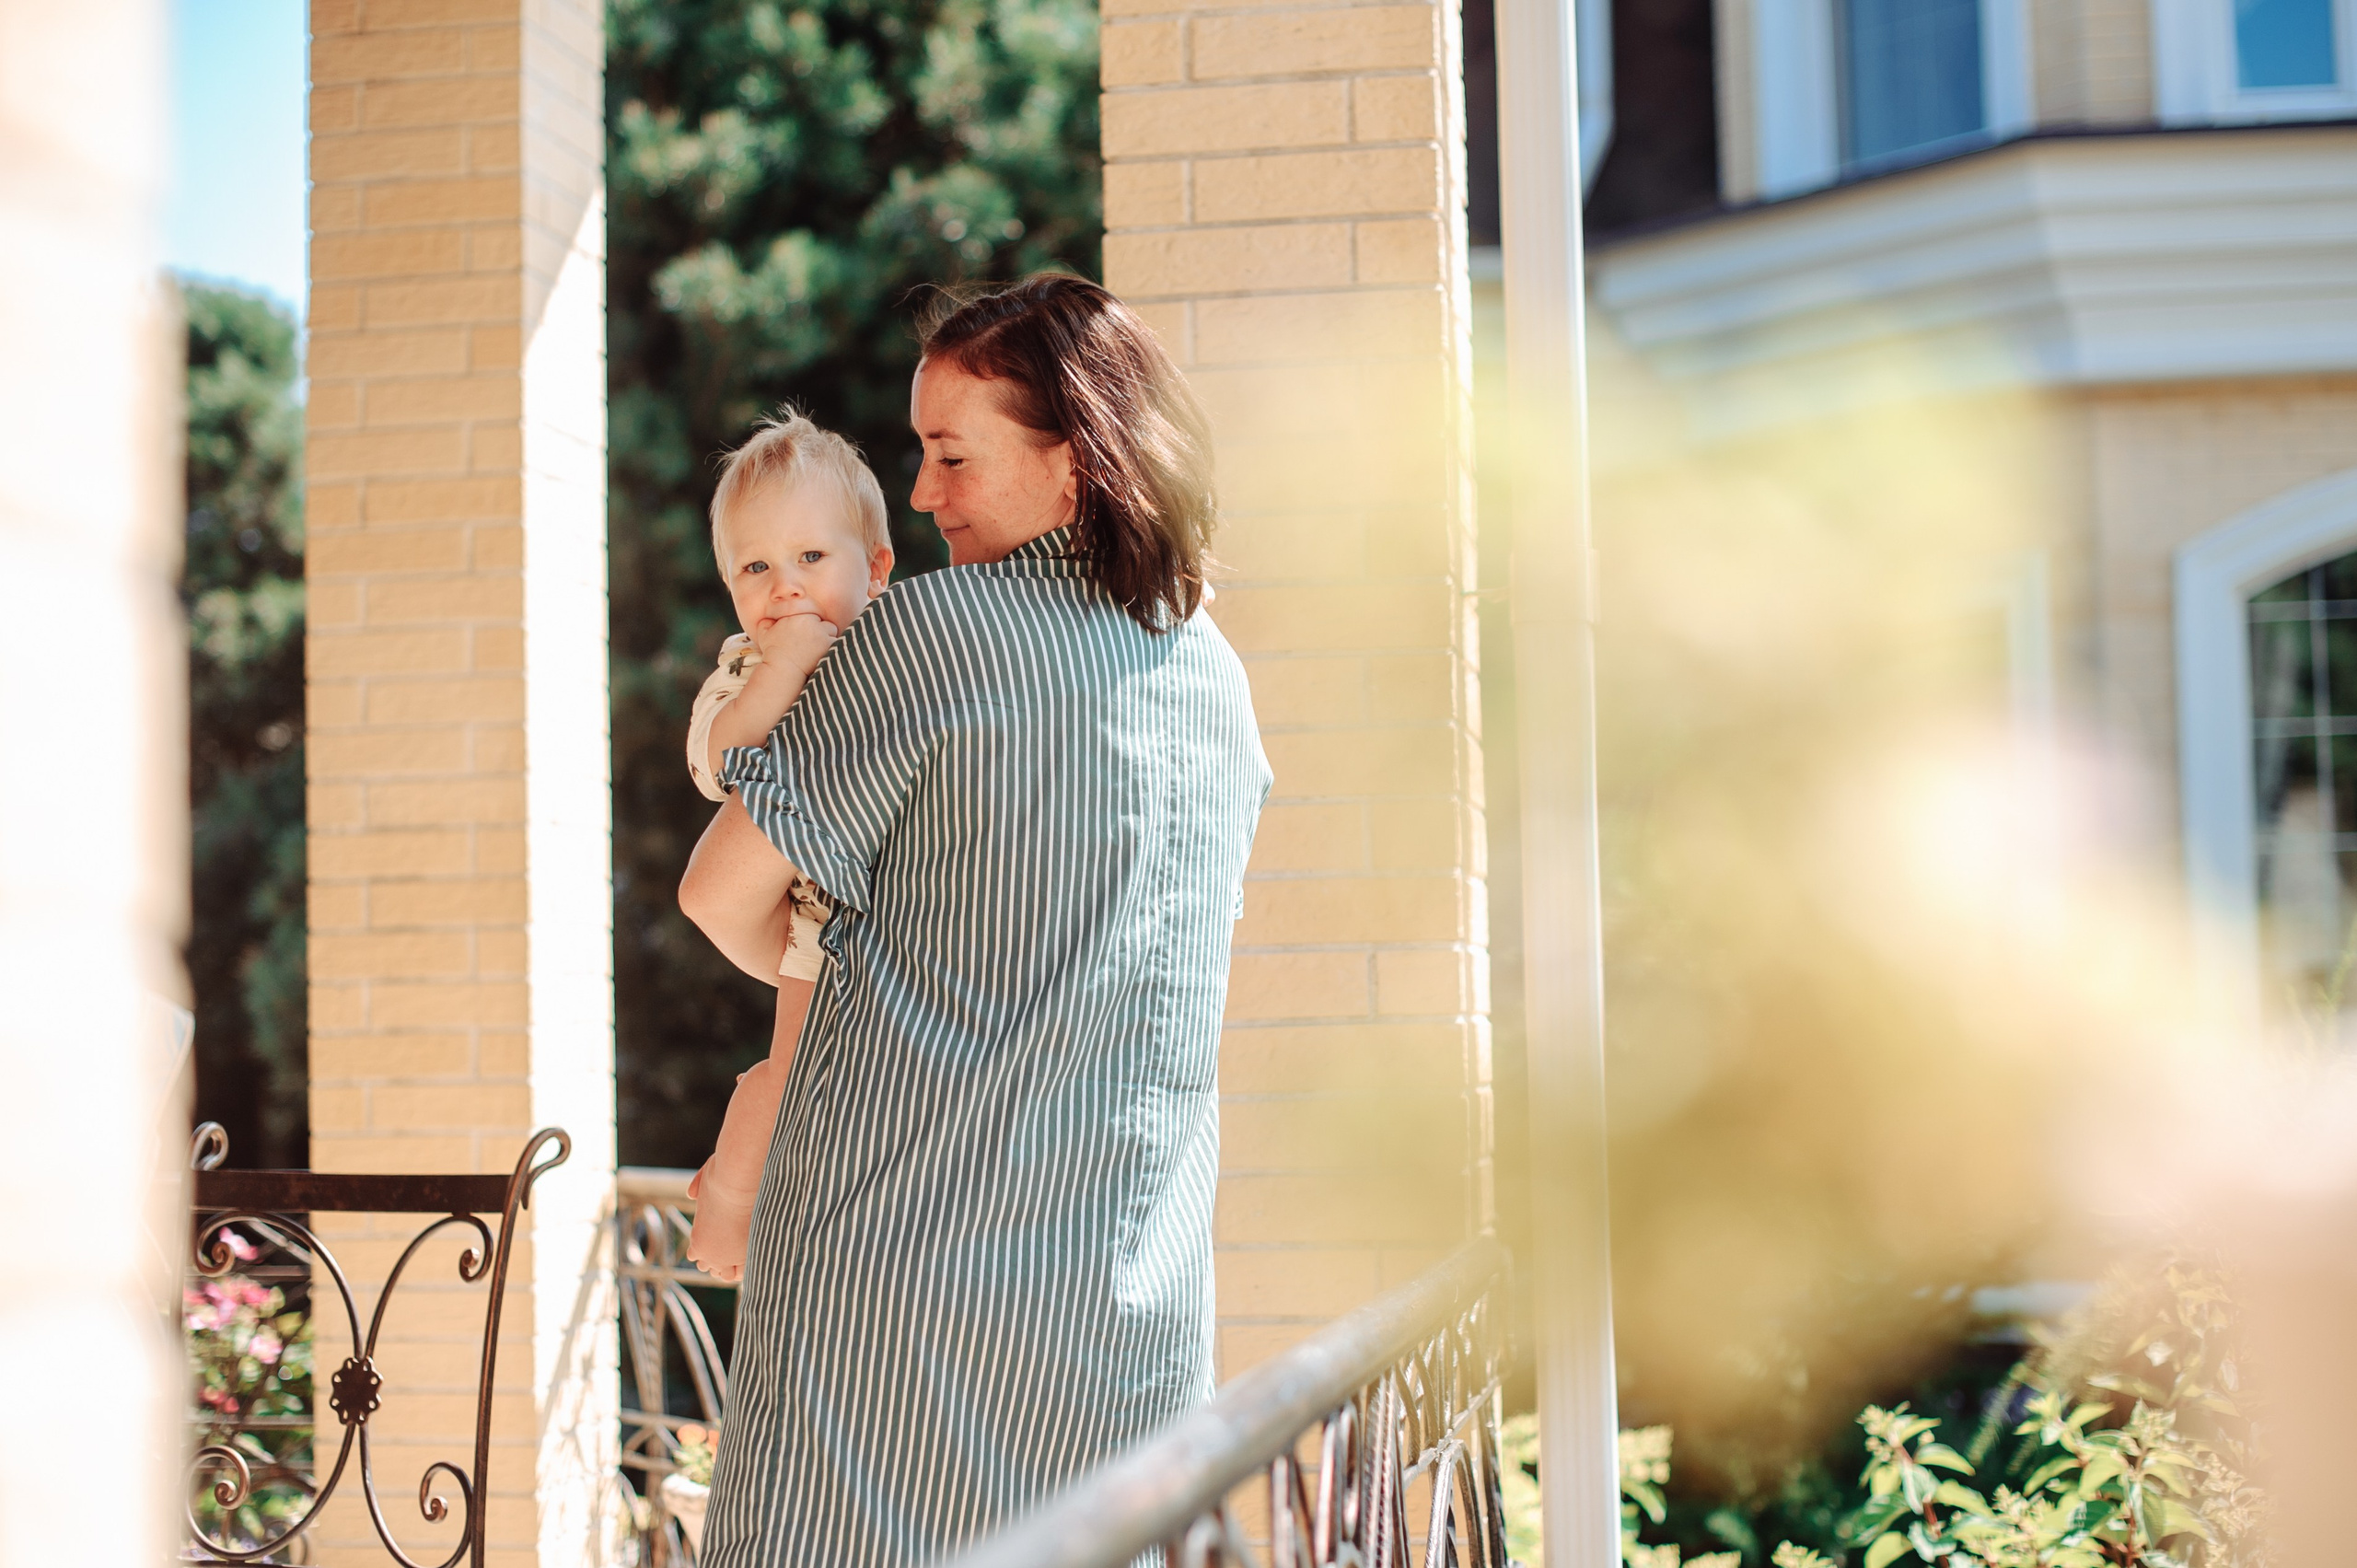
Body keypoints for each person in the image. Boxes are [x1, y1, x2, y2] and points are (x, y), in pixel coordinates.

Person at [677, 273, 1271, 1567]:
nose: (927, 494)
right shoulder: (1217, 680)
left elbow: (719, 890)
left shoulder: (934, 635)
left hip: (892, 1314)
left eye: (952, 455)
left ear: (1077, 457)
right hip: (1130, 1320)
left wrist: (813, 965)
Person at [679, 411, 895, 1283]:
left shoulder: (901, 645)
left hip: (901, 905)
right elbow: (717, 765)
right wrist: (782, 671)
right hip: (819, 921)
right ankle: (726, 1210)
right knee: (797, 1072)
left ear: (875, 568)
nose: (786, 589)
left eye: (811, 558)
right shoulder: (746, 664)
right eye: (756, 568)